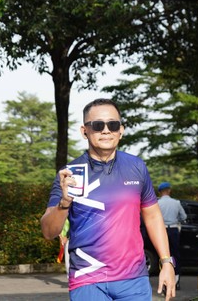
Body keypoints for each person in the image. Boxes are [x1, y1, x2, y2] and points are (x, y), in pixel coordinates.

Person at [41, 98, 176, 301]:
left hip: (134, 279)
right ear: (84, 131)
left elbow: (153, 217)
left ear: (121, 130)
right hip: (88, 278)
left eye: (112, 125)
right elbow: (48, 232)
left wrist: (166, 262)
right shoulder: (70, 174)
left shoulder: (137, 167)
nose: (106, 131)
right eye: (98, 125)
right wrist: (64, 204)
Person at [157, 182, 187, 289]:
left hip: (162, 230)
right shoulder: (176, 203)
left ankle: (164, 279)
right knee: (175, 254)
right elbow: (184, 217)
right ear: (169, 190)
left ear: (160, 192)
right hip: (173, 229)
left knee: (163, 255)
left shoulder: (158, 203)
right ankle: (176, 278)